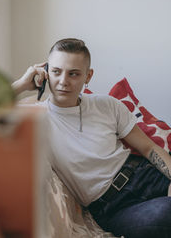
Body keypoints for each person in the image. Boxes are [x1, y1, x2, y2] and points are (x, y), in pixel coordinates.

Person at [12, 38, 171, 238]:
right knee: (165, 214)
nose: (63, 81)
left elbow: (149, 148)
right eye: (56, 71)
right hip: (113, 207)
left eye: (74, 74)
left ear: (88, 76)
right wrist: (21, 84)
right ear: (46, 72)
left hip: (145, 175)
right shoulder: (34, 117)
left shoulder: (107, 105)